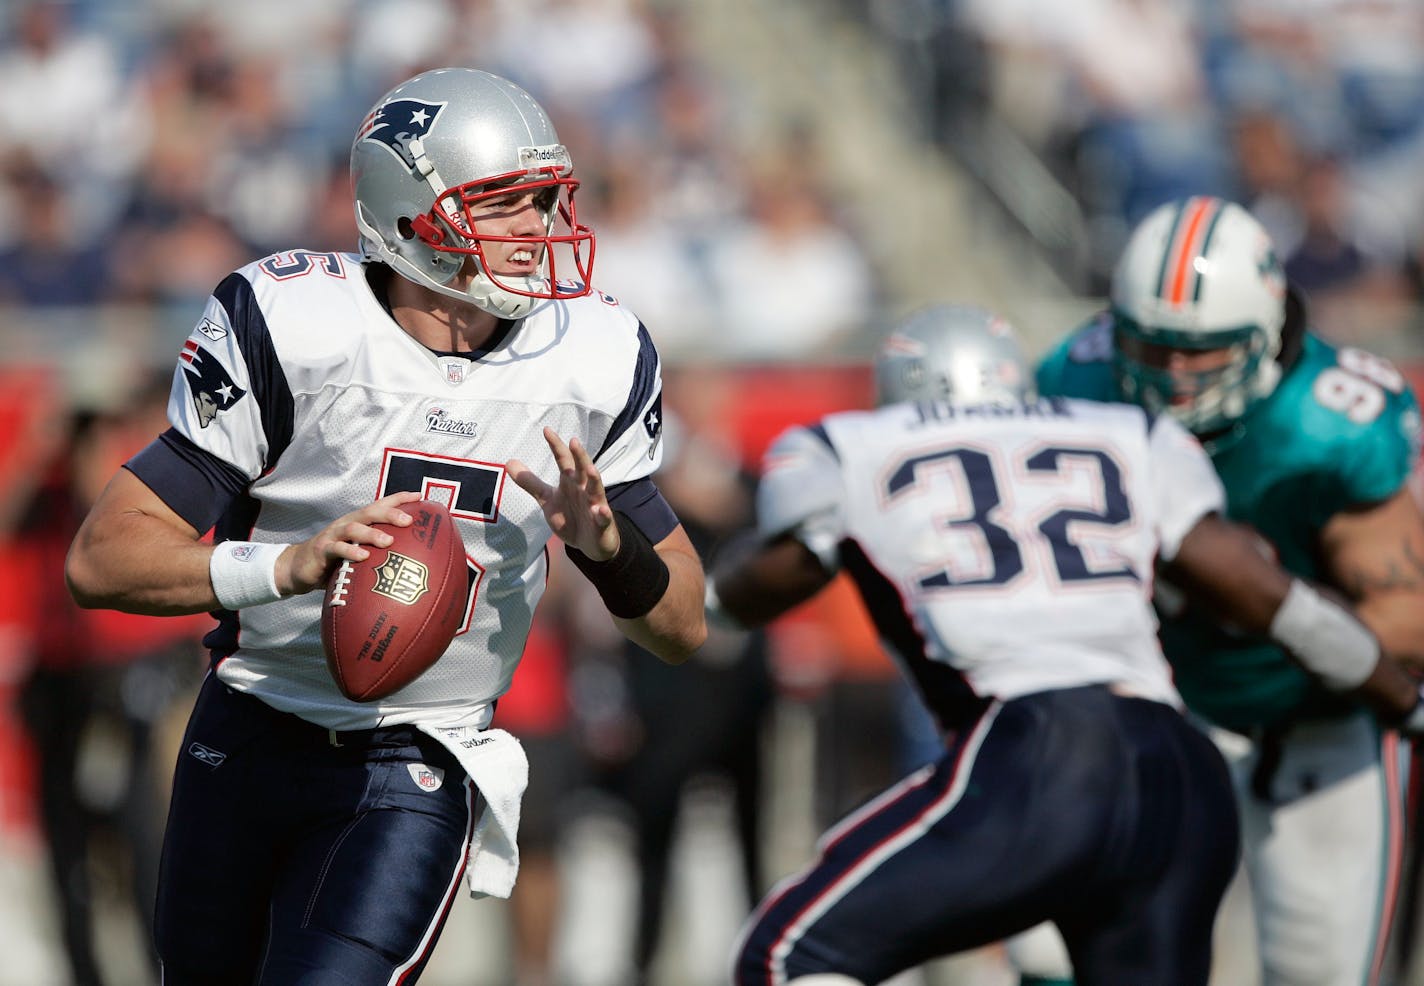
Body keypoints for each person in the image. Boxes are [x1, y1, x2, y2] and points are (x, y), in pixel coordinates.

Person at [63, 66, 707, 985]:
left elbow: (682, 626)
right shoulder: (293, 324)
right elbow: (102, 558)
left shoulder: (594, 357)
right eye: (510, 203)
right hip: (245, 729)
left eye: (549, 202)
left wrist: (611, 551)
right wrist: (284, 567)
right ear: (414, 216)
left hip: (420, 754)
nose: (543, 231)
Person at [706, 304, 1424, 986]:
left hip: (1041, 751)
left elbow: (768, 579)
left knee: (787, 952)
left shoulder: (855, 446)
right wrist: (1404, 699)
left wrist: (691, 604)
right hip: (1176, 766)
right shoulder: (1129, 435)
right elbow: (1275, 599)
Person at [1022, 194, 1424, 986]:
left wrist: (1264, 607)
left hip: (1310, 726)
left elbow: (1410, 617)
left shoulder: (1328, 419)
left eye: (1200, 353)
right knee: (1055, 949)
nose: (1172, 377)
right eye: (1153, 345)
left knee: (1317, 972)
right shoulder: (1081, 375)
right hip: (1153, 709)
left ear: (1265, 333)